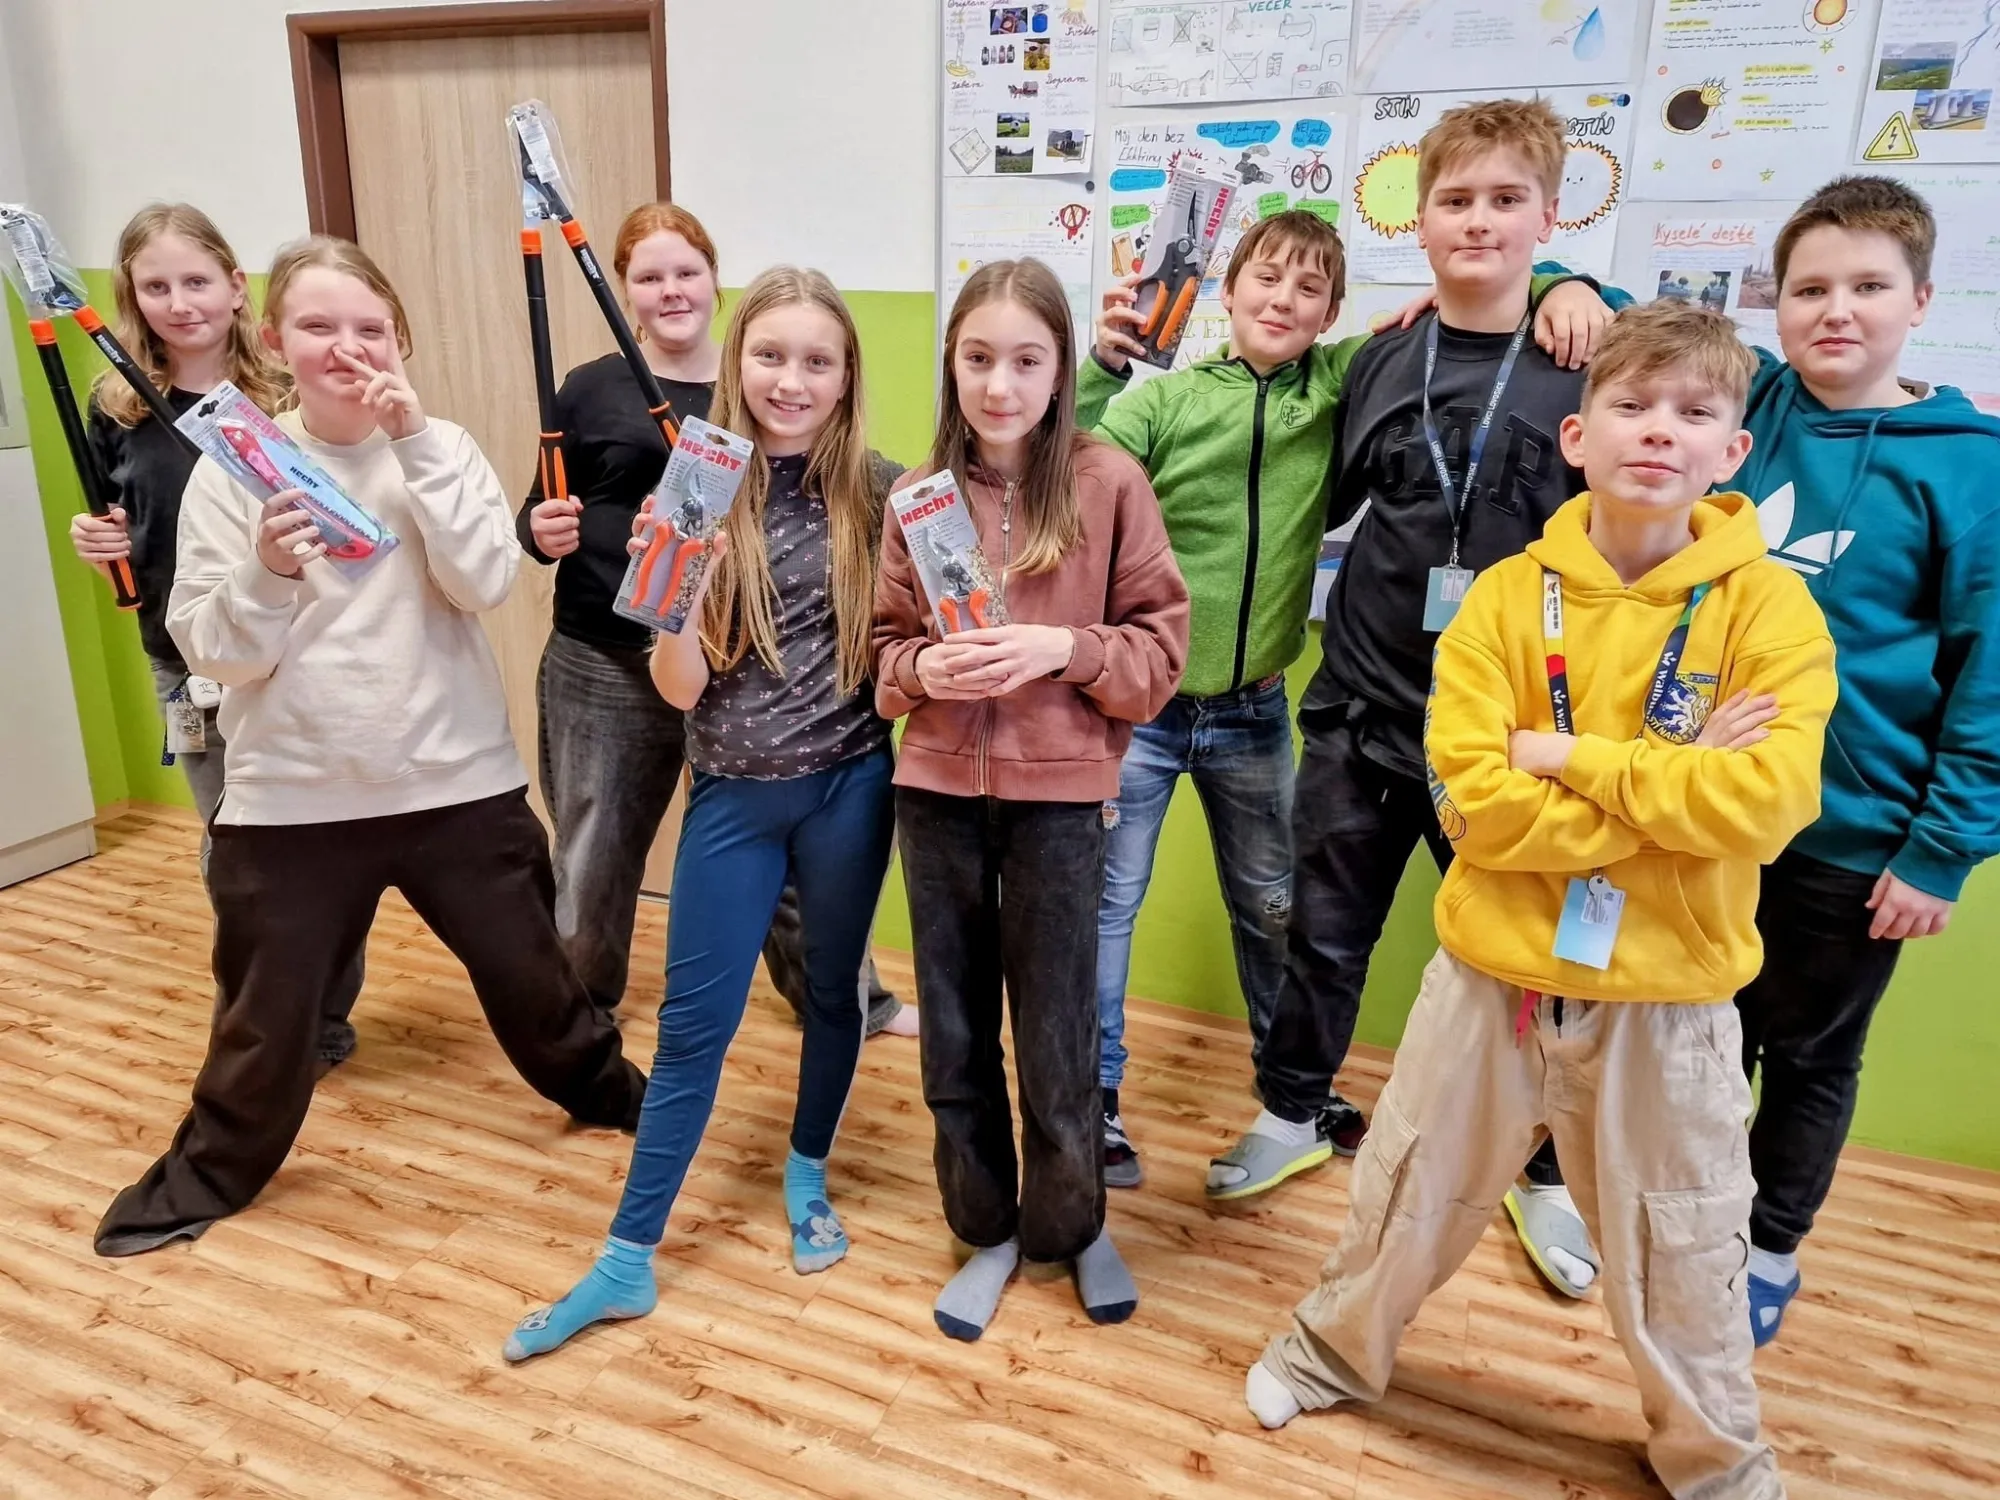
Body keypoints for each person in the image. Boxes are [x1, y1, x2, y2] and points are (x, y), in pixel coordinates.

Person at [1247, 299, 1835, 1500]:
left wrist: (1565, 759)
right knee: (1402, 1189)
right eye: (1629, 404)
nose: (1657, 431)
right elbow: (1475, 807)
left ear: (1732, 450)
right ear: (1576, 434)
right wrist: (1673, 785)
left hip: (1665, 995)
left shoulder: (1768, 610)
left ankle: (1716, 1461)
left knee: (1681, 1244)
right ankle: (1327, 1355)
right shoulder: (1506, 599)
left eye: (1693, 412)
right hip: (1491, 975)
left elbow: (1766, 807)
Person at [1507, 176, 2000, 1340]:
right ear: (1772, 303)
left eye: (1867, 286)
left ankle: (1766, 1245)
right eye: (1808, 289)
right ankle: (1638, 1206)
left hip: (1848, 831)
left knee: (1806, 1053)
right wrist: (1552, 279)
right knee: (1674, 1030)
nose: (1836, 311)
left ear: (1919, 300)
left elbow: (1987, 677)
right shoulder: (1743, 406)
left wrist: (1939, 850)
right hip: (1687, 810)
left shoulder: (1968, 466)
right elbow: (1626, 333)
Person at [93, 236, 645, 1257]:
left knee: (537, 981)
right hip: (293, 796)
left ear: (401, 341)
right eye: (318, 326)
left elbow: (484, 582)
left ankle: (612, 1095)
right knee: (265, 1022)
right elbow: (215, 649)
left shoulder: (445, 447)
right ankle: (207, 1173)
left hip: (456, 782)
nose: (347, 348)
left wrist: (416, 443)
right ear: (274, 340)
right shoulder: (235, 471)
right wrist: (267, 569)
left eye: (370, 328)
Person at [1080, 209, 1610, 1188]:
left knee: (1277, 910)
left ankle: (1291, 1093)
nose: (1282, 300)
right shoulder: (1168, 401)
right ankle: (1094, 1097)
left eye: (1309, 288)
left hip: (1253, 712)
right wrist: (1104, 366)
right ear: (1226, 290)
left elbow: (1478, 295)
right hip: (1142, 712)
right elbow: (1071, 470)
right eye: (1265, 279)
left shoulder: (1345, 378)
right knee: (1109, 907)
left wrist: (1564, 283)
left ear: (1331, 315)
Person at [1205, 98, 1612, 1201]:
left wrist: (1579, 285)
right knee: (1323, 933)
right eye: (1455, 200)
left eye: (1506, 200)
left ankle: (1542, 1168)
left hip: (1520, 731)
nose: (1478, 221)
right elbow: (1288, 460)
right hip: (1365, 708)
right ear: (1418, 221)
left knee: (1538, 956)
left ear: (1547, 216)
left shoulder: (1588, 357)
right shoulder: (1378, 360)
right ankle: (1290, 1110)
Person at [505, 267, 901, 1362]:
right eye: (770, 355)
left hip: (851, 791)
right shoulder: (696, 483)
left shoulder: (882, 490)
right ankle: (626, 1258)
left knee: (833, 992)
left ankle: (807, 1171)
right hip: (734, 798)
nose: (791, 380)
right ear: (737, 363)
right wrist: (677, 596)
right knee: (692, 1033)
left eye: (816, 360)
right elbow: (678, 689)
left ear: (846, 375)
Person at [875, 257, 1189, 1341]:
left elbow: (1158, 655)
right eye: (977, 359)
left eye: (1024, 360)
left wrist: (1065, 649)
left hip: (1061, 801)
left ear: (1061, 370)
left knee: (1058, 1029)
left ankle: (1072, 1224)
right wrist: (922, 669)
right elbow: (882, 658)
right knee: (954, 1031)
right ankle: (986, 1228)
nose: (999, 385)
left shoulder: (1108, 483)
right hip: (936, 798)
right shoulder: (917, 496)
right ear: (951, 364)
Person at [519, 202, 913, 1037]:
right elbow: (543, 505)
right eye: (648, 276)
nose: (670, 289)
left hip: (739, 671)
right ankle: (580, 1019)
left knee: (789, 861)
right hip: (607, 656)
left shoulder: (770, 410)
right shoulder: (591, 389)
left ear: (713, 280)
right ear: (624, 289)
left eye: (686, 271)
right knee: (594, 854)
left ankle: (846, 1001)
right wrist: (542, 531)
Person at [66, 203, 363, 1073]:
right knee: (235, 846)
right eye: (155, 287)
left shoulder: (286, 397)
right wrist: (101, 549)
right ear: (131, 299)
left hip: (295, 654)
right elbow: (128, 546)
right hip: (184, 665)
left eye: (196, 281)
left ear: (236, 288)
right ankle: (264, 1016)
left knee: (322, 841)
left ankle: (324, 1012)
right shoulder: (115, 409)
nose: (179, 302)